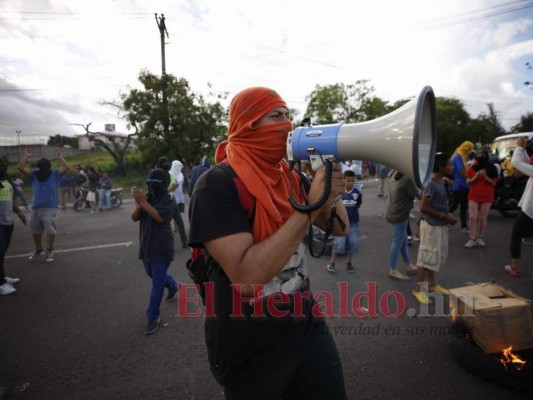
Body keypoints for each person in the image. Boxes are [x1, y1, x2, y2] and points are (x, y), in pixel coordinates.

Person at [188, 87, 349, 399]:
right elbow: (247, 278)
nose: (288, 126)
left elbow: (340, 228)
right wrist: (311, 207)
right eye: (276, 116)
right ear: (248, 125)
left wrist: (327, 178)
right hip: (248, 347)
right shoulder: (216, 185)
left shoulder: (292, 178)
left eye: (289, 116)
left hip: (307, 328)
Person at [131, 168, 179, 335]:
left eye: (155, 183)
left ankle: (153, 317)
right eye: (149, 183)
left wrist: (143, 203)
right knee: (152, 273)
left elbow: (160, 218)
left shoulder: (169, 199)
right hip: (147, 246)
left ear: (163, 184)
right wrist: (139, 204)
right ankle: (173, 286)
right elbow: (135, 217)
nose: (151, 186)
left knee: (157, 284)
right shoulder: (148, 197)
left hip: (161, 246)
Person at [412, 154, 457, 305]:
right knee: (425, 257)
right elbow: (424, 207)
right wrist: (445, 217)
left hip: (438, 225)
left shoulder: (439, 182)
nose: (452, 167)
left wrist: (446, 215)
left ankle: (432, 285)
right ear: (440, 167)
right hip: (431, 226)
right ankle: (419, 289)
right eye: (449, 165)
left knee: (433, 256)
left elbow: (437, 204)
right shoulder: (431, 183)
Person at [18, 147, 70, 262]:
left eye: (45, 166)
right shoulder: (34, 175)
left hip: (50, 207)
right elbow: (20, 168)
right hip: (36, 207)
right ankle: (38, 249)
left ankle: (50, 250)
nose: (43, 168)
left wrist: (59, 156)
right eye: (41, 166)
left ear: (49, 166)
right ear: (38, 167)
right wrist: (26, 156)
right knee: (35, 230)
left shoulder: (55, 174)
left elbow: (67, 167)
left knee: (50, 230)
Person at [504, 137, 533, 276]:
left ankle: (514, 268)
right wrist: (523, 150)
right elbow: (526, 164)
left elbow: (516, 162)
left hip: (530, 211)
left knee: (516, 234)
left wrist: (519, 147)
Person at [385, 169, 420, 281]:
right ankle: (393, 269)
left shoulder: (394, 173)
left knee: (403, 240)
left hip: (395, 211)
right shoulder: (407, 179)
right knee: (397, 241)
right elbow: (418, 196)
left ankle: (408, 265)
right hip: (399, 214)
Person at [326, 169, 362, 273]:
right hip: (340, 223)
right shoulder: (339, 193)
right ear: (344, 180)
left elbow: (358, 204)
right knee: (339, 243)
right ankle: (332, 263)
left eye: (352, 181)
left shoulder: (357, 193)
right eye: (348, 180)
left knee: (353, 242)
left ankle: (349, 263)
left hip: (353, 223)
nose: (351, 183)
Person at [0, 158, 27, 295]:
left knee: (2, 252)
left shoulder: (5, 179)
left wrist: (19, 212)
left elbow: (9, 199)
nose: (3, 166)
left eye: (4, 164)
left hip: (7, 221)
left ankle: (2, 277)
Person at [464, 150, 498, 248]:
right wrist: (476, 176)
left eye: (482, 156)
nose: (480, 158)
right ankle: (472, 238)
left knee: (483, 218)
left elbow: (494, 183)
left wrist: (485, 176)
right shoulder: (473, 168)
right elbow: (468, 181)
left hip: (487, 196)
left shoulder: (492, 169)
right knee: (473, 216)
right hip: (474, 195)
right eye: (479, 156)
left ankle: (479, 236)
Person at [449, 141, 474, 233]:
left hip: (465, 185)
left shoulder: (463, 156)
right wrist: (470, 178)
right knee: (453, 206)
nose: (471, 151)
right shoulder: (458, 156)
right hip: (459, 185)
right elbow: (461, 170)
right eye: (470, 149)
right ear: (466, 149)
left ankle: (464, 227)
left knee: (464, 207)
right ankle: (444, 221)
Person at [169, 160, 188, 249]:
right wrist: (173, 187)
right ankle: (170, 245)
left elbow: (181, 185)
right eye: (179, 167)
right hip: (171, 199)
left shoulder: (180, 175)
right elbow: (169, 188)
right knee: (168, 221)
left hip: (179, 198)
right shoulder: (169, 174)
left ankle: (184, 242)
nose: (180, 168)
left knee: (179, 218)